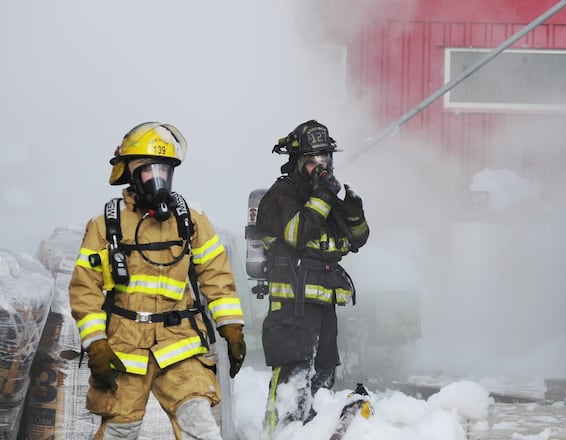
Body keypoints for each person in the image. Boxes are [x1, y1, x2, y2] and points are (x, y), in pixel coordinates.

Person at [69, 122, 246, 439]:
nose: (157, 178)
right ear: (129, 173)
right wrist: (96, 344)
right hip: (125, 348)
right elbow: (86, 290)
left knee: (200, 423)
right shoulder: (106, 225)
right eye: (147, 170)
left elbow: (216, 275)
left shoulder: (189, 219)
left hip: (178, 341)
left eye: (163, 170)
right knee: (121, 430)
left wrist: (231, 327)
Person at [254, 120, 369, 435]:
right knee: (293, 383)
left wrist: (353, 210)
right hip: (292, 305)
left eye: (325, 159)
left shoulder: (327, 196)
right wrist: (323, 195)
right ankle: (278, 436)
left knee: (322, 379)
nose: (320, 166)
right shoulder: (281, 195)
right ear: (295, 162)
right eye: (311, 160)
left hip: (323, 304)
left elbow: (356, 240)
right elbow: (297, 235)